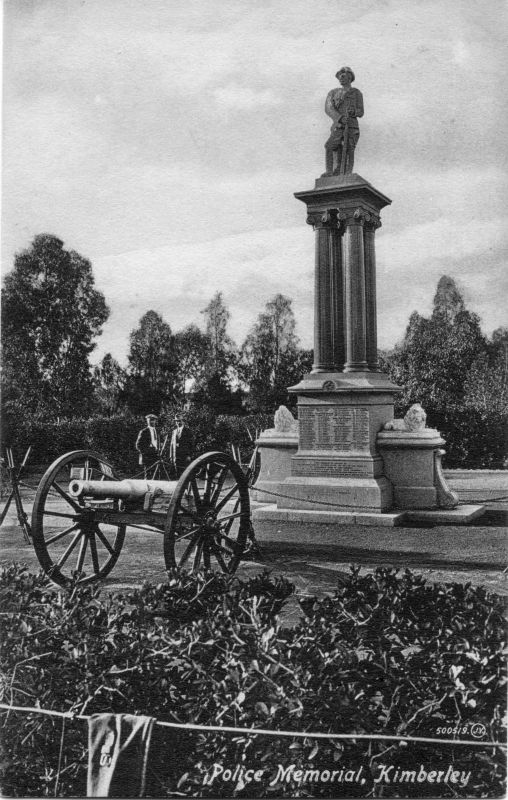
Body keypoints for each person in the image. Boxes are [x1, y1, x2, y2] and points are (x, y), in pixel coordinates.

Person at [324, 66, 364, 176]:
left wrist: (354, 111)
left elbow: (361, 112)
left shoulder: (357, 93)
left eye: (343, 75)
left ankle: (347, 174)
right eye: (339, 76)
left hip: (351, 127)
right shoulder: (333, 93)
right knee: (330, 146)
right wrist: (340, 118)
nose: (340, 78)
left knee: (349, 150)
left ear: (350, 77)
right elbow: (328, 108)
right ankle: (329, 172)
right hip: (339, 126)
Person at [169, 413, 193, 478]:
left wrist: (189, 455)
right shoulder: (174, 431)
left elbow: (191, 444)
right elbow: (171, 444)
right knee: (176, 473)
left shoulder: (188, 431)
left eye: (179, 421)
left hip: (184, 456)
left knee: (184, 474)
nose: (178, 423)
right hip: (175, 457)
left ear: (183, 421)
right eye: (176, 421)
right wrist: (171, 456)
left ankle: (184, 487)